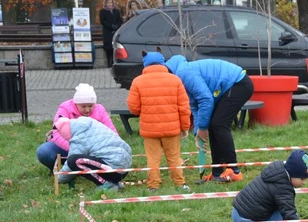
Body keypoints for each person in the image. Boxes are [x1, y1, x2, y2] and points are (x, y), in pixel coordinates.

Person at [164, 55, 254, 183]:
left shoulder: (184, 73)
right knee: (213, 125)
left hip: (238, 84)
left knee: (219, 124)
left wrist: (203, 127)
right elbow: (195, 105)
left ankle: (234, 171)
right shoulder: (180, 75)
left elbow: (206, 99)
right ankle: (217, 172)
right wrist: (198, 132)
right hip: (229, 87)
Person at [127, 52, 192, 192]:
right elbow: (184, 107)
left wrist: (142, 111)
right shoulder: (175, 80)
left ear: (145, 63)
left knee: (153, 159)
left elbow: (133, 107)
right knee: (174, 157)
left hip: (149, 130)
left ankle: (153, 186)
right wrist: (185, 126)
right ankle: (180, 184)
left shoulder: (138, 81)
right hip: (172, 128)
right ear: (163, 63)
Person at [226, 150, 308, 222]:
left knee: (254, 207)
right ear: (292, 174)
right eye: (302, 179)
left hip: (236, 213)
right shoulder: (283, 189)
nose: (305, 182)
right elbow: (290, 216)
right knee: (293, 217)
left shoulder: (276, 169)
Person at [36, 84, 119, 171]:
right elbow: (56, 133)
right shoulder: (65, 109)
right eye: (83, 106)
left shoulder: (100, 110)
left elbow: (112, 133)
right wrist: (75, 150)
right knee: (44, 151)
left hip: (92, 150)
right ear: (76, 104)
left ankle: (86, 168)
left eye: (91, 106)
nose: (87, 110)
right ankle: (58, 169)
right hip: (67, 147)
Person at [56, 117, 132, 191]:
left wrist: (58, 179)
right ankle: (115, 182)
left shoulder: (78, 138)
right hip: (125, 167)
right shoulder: (90, 124)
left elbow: (69, 165)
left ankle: (107, 184)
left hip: (113, 170)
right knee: (97, 155)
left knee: (74, 160)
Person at [99, 0, 123, 68]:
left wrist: (116, 26)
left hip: (116, 31)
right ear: (105, 4)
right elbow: (102, 21)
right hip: (107, 31)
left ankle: (114, 61)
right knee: (108, 47)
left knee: (114, 47)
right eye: (108, 2)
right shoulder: (102, 11)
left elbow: (120, 20)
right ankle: (109, 62)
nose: (110, 4)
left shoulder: (117, 11)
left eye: (111, 2)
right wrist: (111, 26)